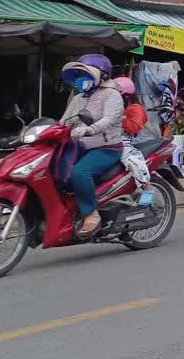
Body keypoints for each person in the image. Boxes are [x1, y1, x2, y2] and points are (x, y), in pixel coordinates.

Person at [58, 55, 125, 236]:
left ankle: (91, 215)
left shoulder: (113, 95)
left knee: (80, 172)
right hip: (79, 147)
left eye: (85, 74)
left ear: (102, 75)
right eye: (79, 74)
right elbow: (64, 121)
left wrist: (88, 130)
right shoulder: (79, 97)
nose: (81, 78)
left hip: (106, 148)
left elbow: (109, 120)